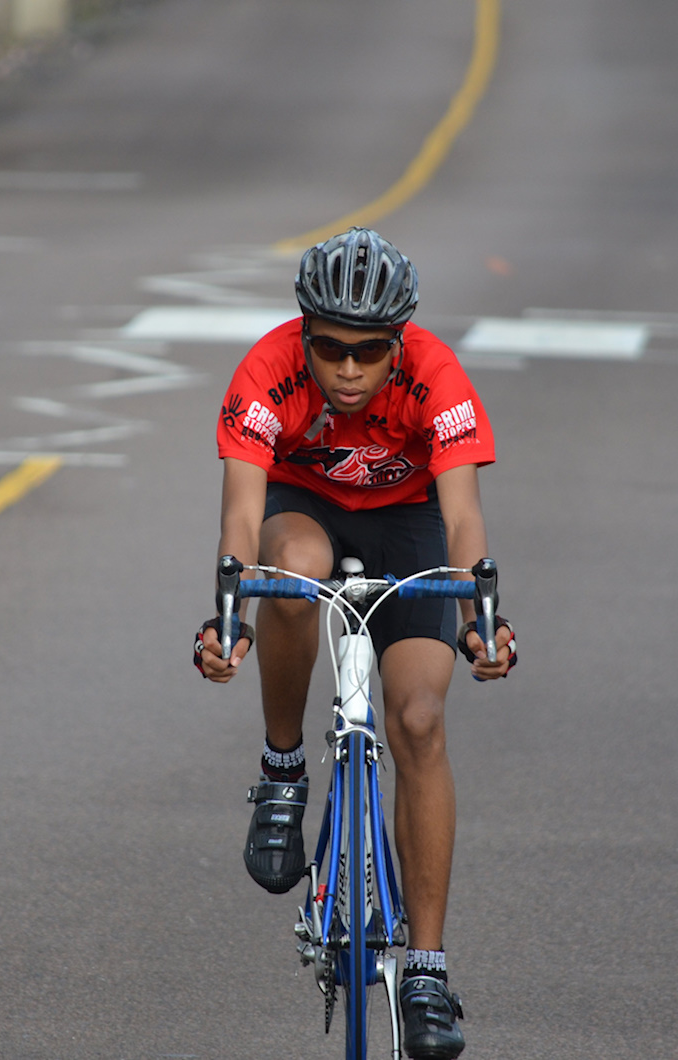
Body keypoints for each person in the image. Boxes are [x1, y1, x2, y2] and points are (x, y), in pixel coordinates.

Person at [196, 228, 516, 1060]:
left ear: (397, 344)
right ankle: (281, 773)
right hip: (305, 504)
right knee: (293, 569)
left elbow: (463, 518)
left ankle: (427, 972)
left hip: (409, 522)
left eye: (368, 353)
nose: (346, 370)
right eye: (330, 348)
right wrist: (227, 617)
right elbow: (240, 513)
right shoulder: (266, 371)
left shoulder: (436, 376)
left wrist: (483, 614)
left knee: (417, 721)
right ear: (305, 334)